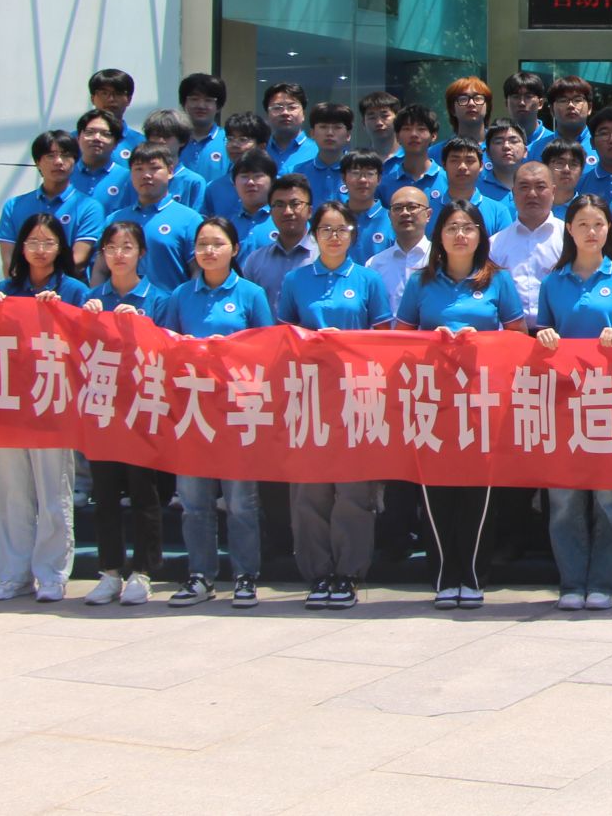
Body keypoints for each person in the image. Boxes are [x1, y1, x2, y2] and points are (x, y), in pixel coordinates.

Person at [396, 203, 528, 607]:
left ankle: (472, 575)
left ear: (480, 235)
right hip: (432, 401)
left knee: (477, 491)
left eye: (468, 228)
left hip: (481, 401)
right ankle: (442, 576)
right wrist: (432, 340)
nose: (460, 235)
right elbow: (400, 340)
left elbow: (518, 338)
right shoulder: (420, 282)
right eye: (452, 228)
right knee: (436, 490)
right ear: (439, 235)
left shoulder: (498, 280)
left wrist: (482, 341)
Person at [278, 201, 395, 610]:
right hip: (309, 396)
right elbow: (283, 338)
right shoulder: (295, 280)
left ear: (353, 234)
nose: (333, 236)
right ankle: (318, 572)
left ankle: (348, 573)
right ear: (314, 235)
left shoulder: (367, 280)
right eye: (325, 230)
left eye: (341, 229)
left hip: (355, 396)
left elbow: (382, 338)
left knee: (353, 491)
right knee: (309, 491)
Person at [535, 195, 612, 610]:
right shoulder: (553, 282)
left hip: (609, 402)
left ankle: (604, 583)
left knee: (608, 499)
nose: (591, 231)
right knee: (564, 499)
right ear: (569, 229)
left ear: (608, 229)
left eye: (598, 224)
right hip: (562, 401)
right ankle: (571, 582)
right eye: (582, 224)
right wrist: (543, 337)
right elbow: (540, 339)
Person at [164, 216, 274, 608]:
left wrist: (229, 351)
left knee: (240, 501)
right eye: (202, 244)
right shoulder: (181, 295)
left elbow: (268, 348)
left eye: (217, 243)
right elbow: (166, 347)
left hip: (237, 409)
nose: (209, 251)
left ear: (234, 249)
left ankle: (245, 575)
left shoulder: (250, 294)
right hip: (193, 409)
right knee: (194, 501)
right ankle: (200, 575)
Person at [80, 220, 169, 605]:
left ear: (141, 253)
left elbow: (170, 351)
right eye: (112, 248)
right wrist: (86, 322)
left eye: (127, 247)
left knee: (143, 493)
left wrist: (140, 328)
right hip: (103, 410)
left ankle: (143, 571)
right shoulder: (92, 298)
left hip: (143, 410)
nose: (119, 255)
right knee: (104, 495)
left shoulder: (158, 298)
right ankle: (110, 570)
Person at [0, 129, 105, 272]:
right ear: (37, 162)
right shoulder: (14, 206)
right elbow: (8, 260)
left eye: (65, 155)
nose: (58, 162)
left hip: (67, 284)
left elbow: (78, 258)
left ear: (75, 161)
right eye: (50, 156)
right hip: (22, 285)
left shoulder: (90, 207)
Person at [112, 146, 203, 291]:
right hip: (121, 304)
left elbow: (198, 271)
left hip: (170, 303)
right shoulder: (115, 219)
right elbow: (101, 270)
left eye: (154, 168)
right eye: (139, 169)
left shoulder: (190, 219)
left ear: (170, 171)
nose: (146, 175)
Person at [489, 161, 566, 321]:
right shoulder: (494, 244)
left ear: (553, 191)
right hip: (511, 332)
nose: (532, 194)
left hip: (560, 330)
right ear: (513, 193)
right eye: (524, 187)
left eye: (540, 187)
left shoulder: (570, 238)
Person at [238, 172, 320, 311]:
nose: (287, 211)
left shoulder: (324, 256)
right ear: (270, 212)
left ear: (310, 211)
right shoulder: (255, 260)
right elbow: (246, 308)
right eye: (279, 205)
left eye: (295, 204)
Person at [367, 186, 433, 313]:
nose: (405, 213)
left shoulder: (442, 260)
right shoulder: (374, 264)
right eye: (397, 208)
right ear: (389, 216)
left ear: (428, 214)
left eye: (412, 207)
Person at [202, 112, 269, 218]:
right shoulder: (214, 188)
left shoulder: (276, 185)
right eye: (230, 139)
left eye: (243, 140)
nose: (234, 145)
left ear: (261, 147)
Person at [378, 104, 447, 206]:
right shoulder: (384, 185)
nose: (414, 134)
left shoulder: (448, 180)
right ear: (397, 136)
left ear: (433, 136)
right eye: (407, 129)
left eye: (421, 129)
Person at [70, 108, 133, 217]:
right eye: (90, 132)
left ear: (116, 144)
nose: (96, 138)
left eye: (105, 134)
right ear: (78, 138)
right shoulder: (65, 175)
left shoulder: (129, 179)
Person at [336, 150, 394, 264]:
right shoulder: (335, 218)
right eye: (355, 173)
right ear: (343, 178)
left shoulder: (391, 219)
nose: (363, 180)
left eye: (370, 174)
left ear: (379, 179)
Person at [178, 72, 230, 182]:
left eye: (208, 100)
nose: (201, 106)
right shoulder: (172, 141)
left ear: (219, 106)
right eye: (194, 99)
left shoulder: (229, 142)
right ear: (183, 103)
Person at [261, 81, 319, 175]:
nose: (285, 113)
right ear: (267, 115)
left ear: (303, 114)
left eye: (292, 107)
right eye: (277, 108)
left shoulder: (319, 152)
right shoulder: (259, 151)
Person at [223, 150, 279, 246]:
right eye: (244, 176)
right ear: (234, 184)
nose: (250, 182)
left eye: (257, 176)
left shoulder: (285, 220)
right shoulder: (228, 226)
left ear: (273, 182)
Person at [88, 67, 144, 156]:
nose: (111, 99)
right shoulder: (73, 141)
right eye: (104, 93)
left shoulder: (141, 143)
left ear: (129, 99)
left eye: (118, 93)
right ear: (92, 98)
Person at [440, 76, 494, 164]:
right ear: (452, 109)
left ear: (487, 107)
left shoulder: (502, 148)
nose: (471, 104)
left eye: (478, 98)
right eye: (463, 99)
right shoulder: (436, 152)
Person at [480, 119, 526, 206]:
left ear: (525, 151)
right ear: (488, 152)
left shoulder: (537, 187)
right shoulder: (475, 189)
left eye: (513, 141)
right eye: (498, 142)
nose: (506, 146)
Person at [503, 70, 550, 155]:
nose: (522, 103)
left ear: (540, 103)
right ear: (506, 103)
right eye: (516, 97)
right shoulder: (496, 144)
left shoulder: (553, 142)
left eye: (528, 97)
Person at [358, 90, 402, 164]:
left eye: (385, 116)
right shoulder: (357, 162)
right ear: (363, 123)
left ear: (398, 119)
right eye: (372, 117)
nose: (379, 123)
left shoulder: (412, 158)